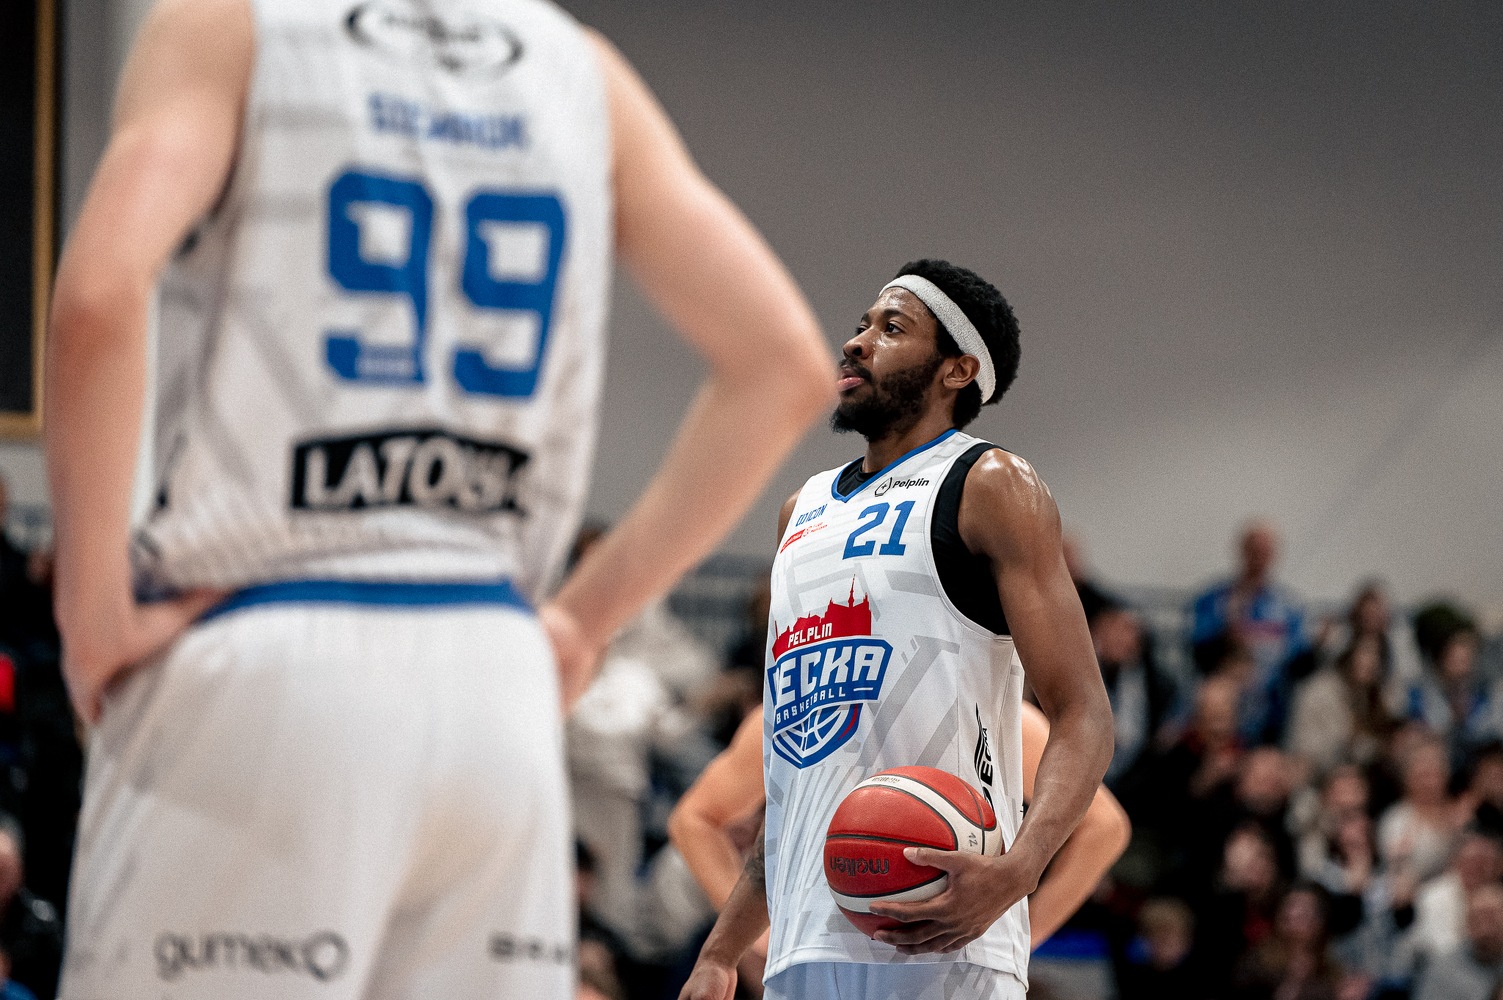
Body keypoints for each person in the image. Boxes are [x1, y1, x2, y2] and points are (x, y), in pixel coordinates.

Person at [44, 1, 831, 997]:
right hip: (491, 686)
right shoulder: (582, 72)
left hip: (259, 644)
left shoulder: (232, 25)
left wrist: (91, 612)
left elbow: (97, 297)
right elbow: (783, 366)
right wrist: (581, 622)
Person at [679, 260, 1114, 1000]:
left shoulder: (989, 484)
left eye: (891, 327)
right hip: (801, 943)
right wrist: (720, 952)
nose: (856, 343)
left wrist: (1018, 871)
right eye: (860, 325)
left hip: (945, 940)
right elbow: (793, 775)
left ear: (957, 369)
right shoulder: (800, 511)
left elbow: (1085, 714)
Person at [668, 702, 1131, 949]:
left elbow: (1104, 828)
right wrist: (754, 941)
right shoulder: (794, 712)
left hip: (949, 964)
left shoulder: (993, 713)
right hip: (819, 957)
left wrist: (1024, 935)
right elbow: (695, 819)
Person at [1191, 521, 1307, 741]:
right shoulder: (1214, 600)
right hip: (1223, 715)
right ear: (1242, 551)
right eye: (1254, 550)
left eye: (1265, 552)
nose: (1259, 558)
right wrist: (1227, 629)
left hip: (1272, 713)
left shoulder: (1289, 607)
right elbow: (1199, 655)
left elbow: (1299, 661)